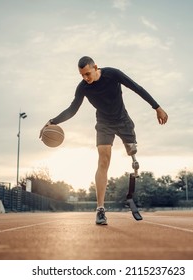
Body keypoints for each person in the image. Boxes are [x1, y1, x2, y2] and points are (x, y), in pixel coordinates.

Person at [40, 56, 168, 225]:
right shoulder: (83, 88)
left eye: (87, 74)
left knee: (132, 150)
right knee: (103, 160)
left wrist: (157, 107)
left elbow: (137, 88)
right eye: (82, 76)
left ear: (95, 68)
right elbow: (72, 109)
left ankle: (134, 160)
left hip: (123, 121)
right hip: (104, 124)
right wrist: (52, 121)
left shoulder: (113, 74)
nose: (86, 78)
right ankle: (100, 209)